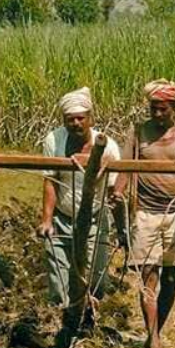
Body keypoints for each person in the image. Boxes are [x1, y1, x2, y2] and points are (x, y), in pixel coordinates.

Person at [110, 79, 175, 348]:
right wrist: (118, 192)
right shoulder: (138, 132)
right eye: (153, 108)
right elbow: (125, 167)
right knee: (148, 275)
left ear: (174, 108)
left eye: (163, 109)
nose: (158, 114)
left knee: (171, 279)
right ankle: (152, 336)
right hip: (145, 213)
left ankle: (157, 329)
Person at [37, 87, 121, 321]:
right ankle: (62, 318)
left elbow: (116, 187)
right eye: (70, 119)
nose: (75, 123)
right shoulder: (54, 140)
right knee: (59, 271)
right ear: (63, 120)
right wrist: (46, 220)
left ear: (90, 118)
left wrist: (122, 220)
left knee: (94, 276)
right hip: (63, 215)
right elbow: (50, 181)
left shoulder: (109, 146)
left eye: (80, 118)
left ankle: (91, 317)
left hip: (95, 216)